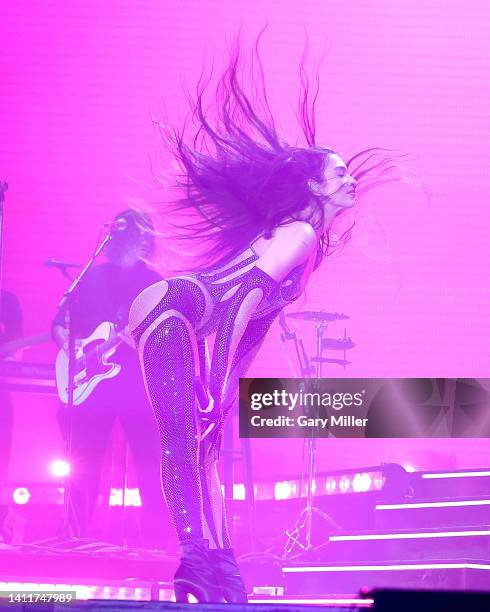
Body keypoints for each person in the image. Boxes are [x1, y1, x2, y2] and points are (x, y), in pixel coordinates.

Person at [128, 41, 398, 602]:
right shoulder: (299, 234)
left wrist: (220, 397)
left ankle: (219, 565)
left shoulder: (307, 245)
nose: (351, 181)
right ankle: (197, 562)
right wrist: (216, 389)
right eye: (340, 173)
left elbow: (253, 325)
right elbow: (236, 303)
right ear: (314, 187)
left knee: (207, 445)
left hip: (190, 318)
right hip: (170, 310)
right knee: (185, 440)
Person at [51, 209, 166, 547]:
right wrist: (73, 354)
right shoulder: (90, 277)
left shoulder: (154, 284)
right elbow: (59, 325)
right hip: (91, 386)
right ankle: (73, 535)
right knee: (83, 463)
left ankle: (158, 543)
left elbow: (162, 333)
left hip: (136, 385)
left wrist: (143, 338)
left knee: (150, 462)